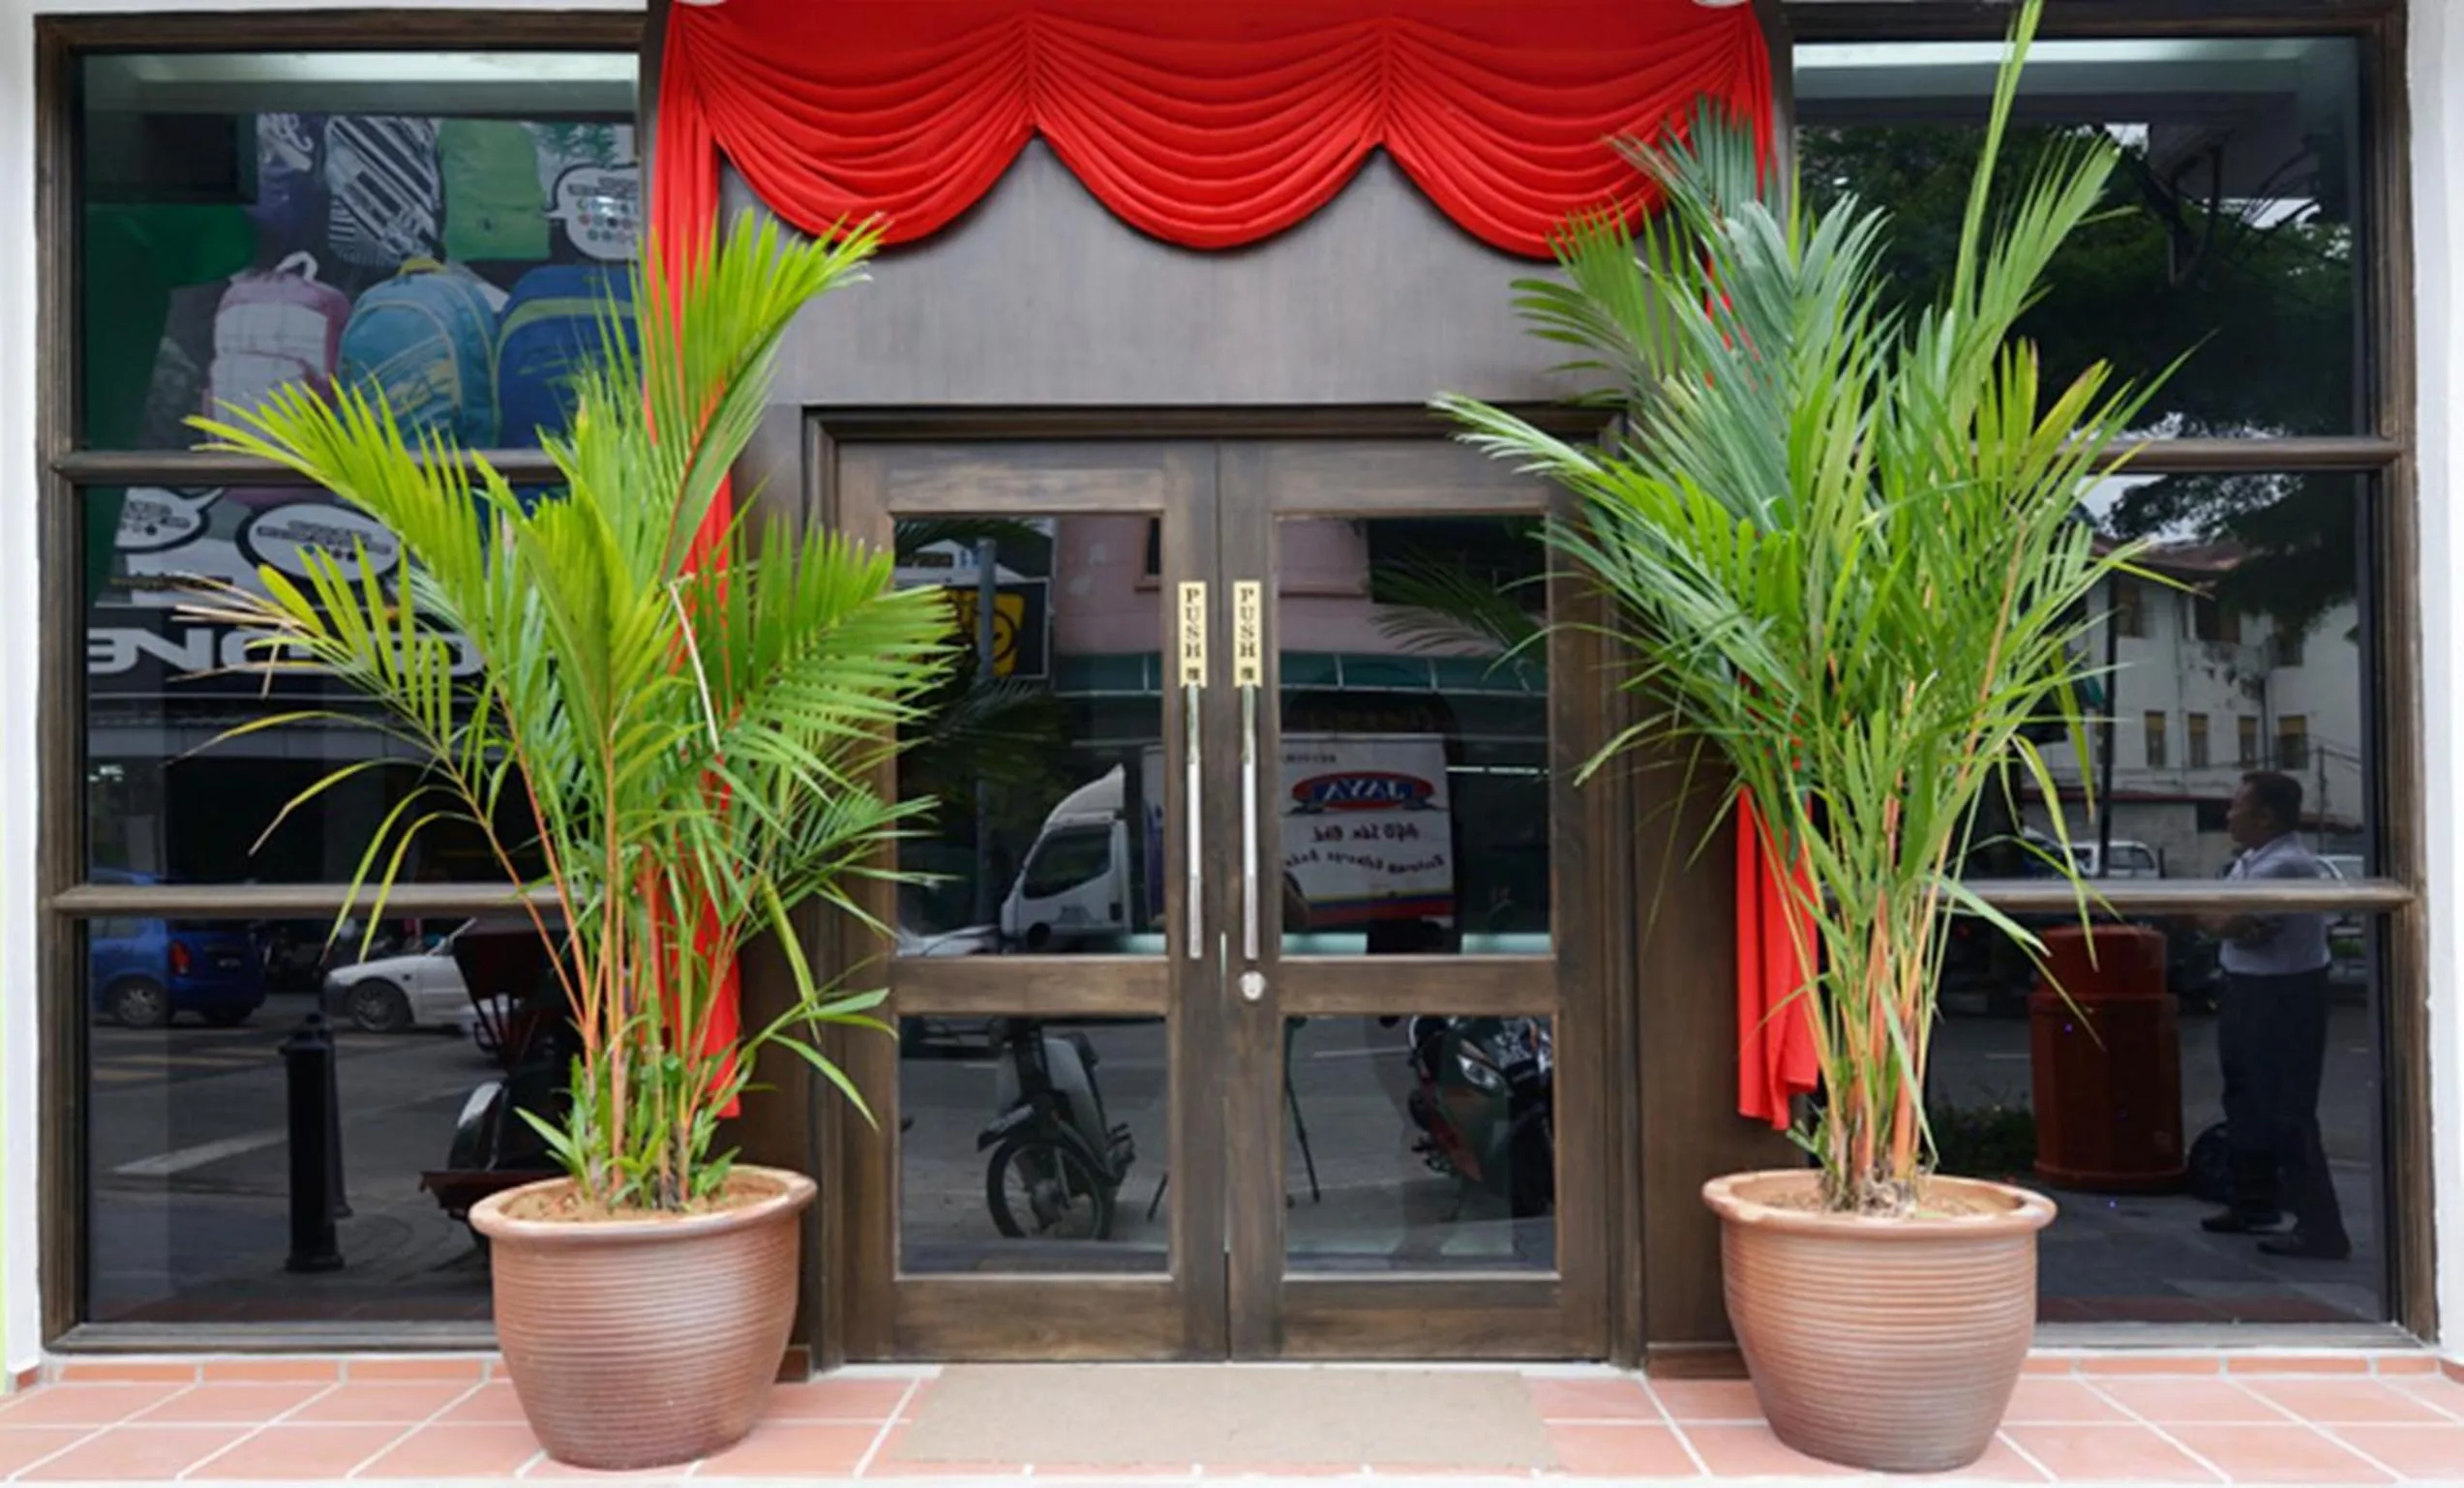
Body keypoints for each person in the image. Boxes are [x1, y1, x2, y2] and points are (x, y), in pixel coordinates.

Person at [2199, 771, 2350, 1261]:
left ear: (2264, 816)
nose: (2228, 814)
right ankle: (2253, 1201)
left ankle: (2320, 1227)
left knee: (2286, 1110)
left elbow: (2231, 924)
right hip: (2246, 987)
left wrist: (2195, 914)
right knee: (2243, 1097)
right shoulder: (2250, 861)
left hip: (2284, 995)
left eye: (2236, 805)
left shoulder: (2285, 868)